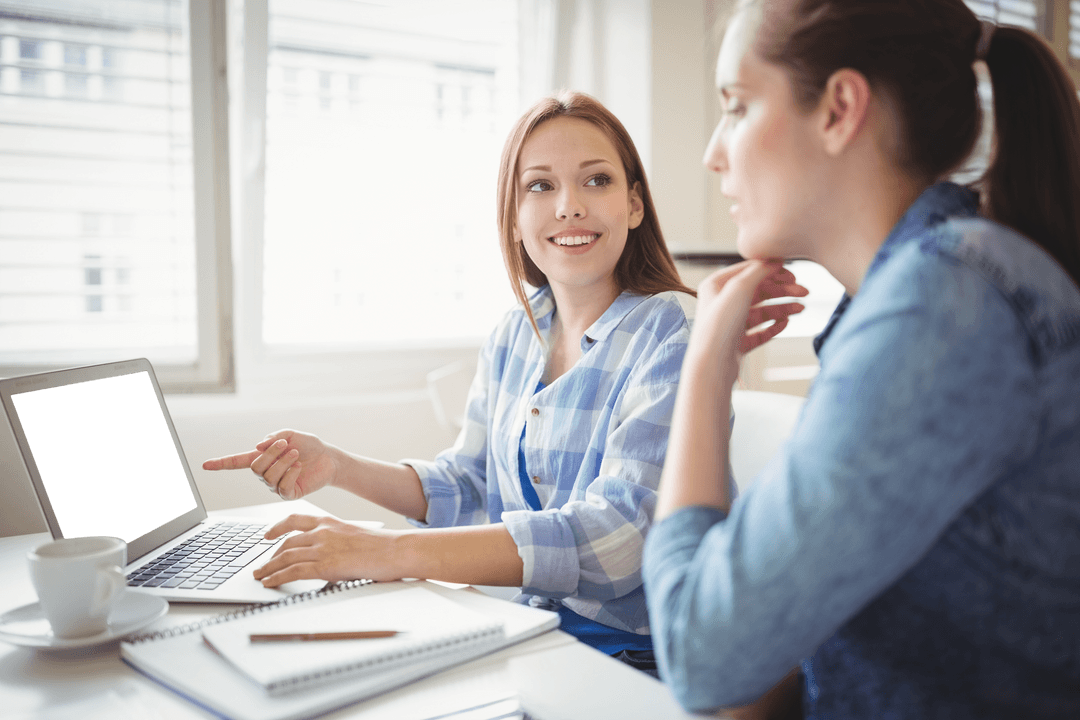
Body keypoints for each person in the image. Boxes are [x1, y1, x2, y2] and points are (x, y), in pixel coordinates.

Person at [203, 92, 769, 671]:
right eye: (540, 186)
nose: (569, 206)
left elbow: (619, 538)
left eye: (596, 180)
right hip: (535, 632)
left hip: (647, 658)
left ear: (633, 205)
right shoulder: (514, 333)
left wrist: (387, 551)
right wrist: (339, 467)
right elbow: (469, 487)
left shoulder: (673, 328)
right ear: (514, 218)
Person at [643, 0, 1080, 717]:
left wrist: (704, 371)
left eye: (738, 106)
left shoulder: (942, 307)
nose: (713, 153)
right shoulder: (932, 287)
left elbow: (700, 655)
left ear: (840, 109)